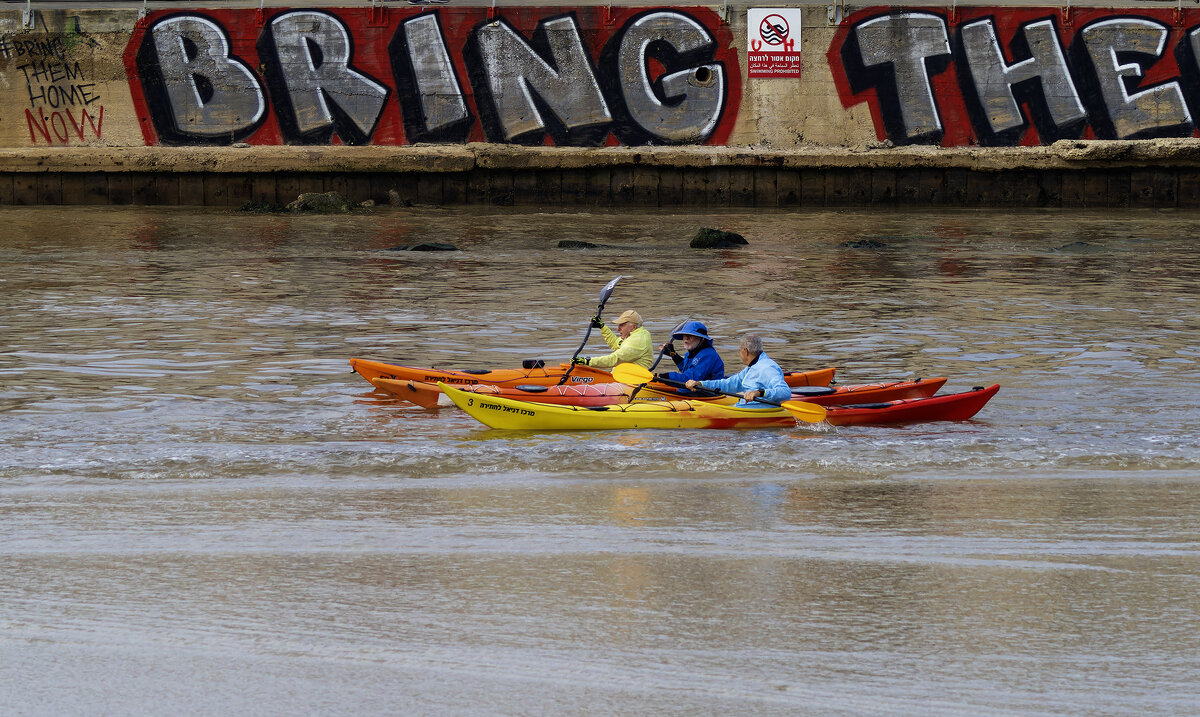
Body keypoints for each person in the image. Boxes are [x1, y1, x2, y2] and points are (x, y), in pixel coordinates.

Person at [685, 333, 790, 408]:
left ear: (745, 351)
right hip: (745, 407)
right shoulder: (751, 368)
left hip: (759, 412)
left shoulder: (767, 368)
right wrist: (701, 384)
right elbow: (728, 384)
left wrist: (759, 393)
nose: (740, 354)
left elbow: (785, 392)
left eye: (740, 351)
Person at [572, 309, 653, 369]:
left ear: (634, 327)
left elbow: (614, 359)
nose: (618, 329)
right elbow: (615, 343)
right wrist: (602, 327)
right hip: (623, 378)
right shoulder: (632, 335)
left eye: (622, 325)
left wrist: (587, 361)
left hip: (634, 382)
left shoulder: (638, 340)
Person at [657, 321, 724, 384]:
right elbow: (686, 369)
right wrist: (673, 355)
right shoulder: (690, 353)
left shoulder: (708, 355)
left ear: (702, 339)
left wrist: (663, 376)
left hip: (705, 394)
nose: (686, 338)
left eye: (690, 335)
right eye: (684, 335)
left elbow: (690, 379)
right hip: (690, 391)